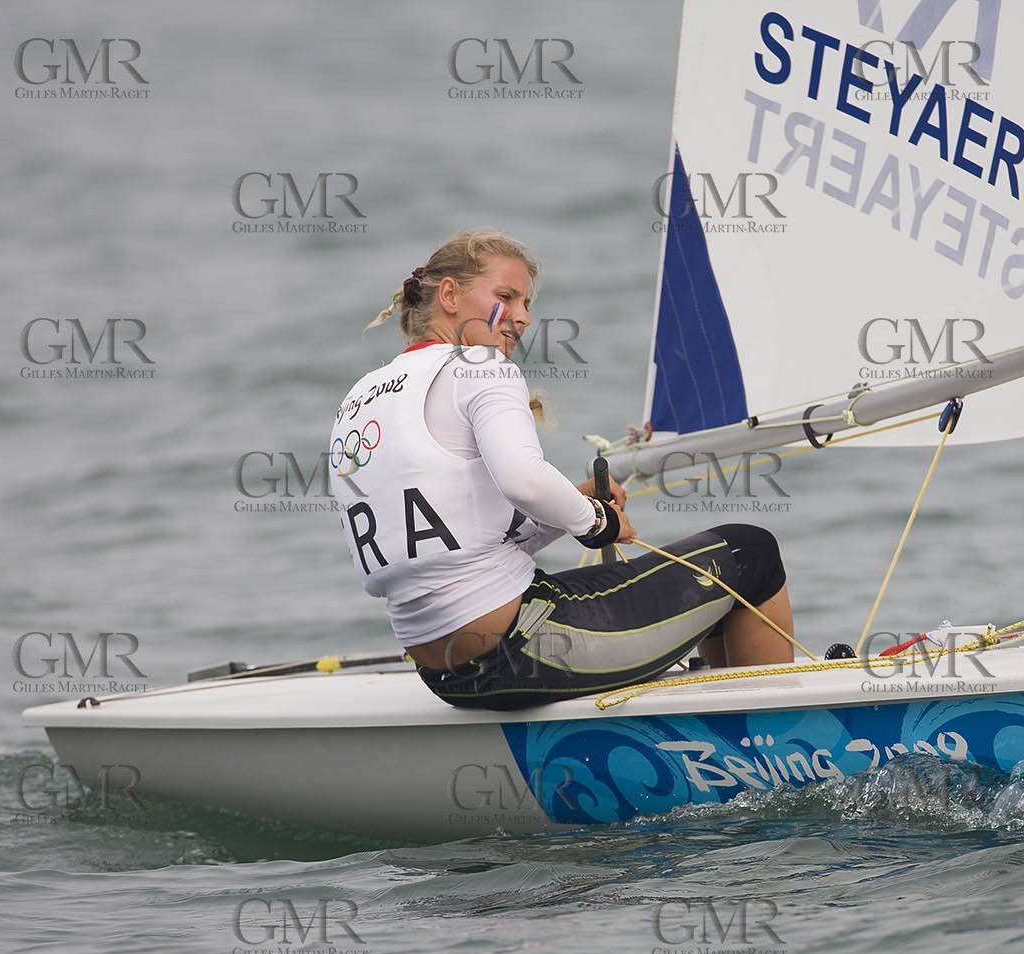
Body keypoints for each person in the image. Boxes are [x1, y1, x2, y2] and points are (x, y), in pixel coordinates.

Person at [330, 227, 794, 710]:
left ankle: (721, 724)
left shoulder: (360, 397)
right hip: (523, 648)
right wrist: (597, 521)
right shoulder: (480, 365)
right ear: (449, 295)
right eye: (506, 297)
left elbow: (453, 543)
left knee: (706, 599)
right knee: (749, 553)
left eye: (526, 303)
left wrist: (569, 507)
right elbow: (524, 481)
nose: (523, 317)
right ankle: (778, 742)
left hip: (444, 671)